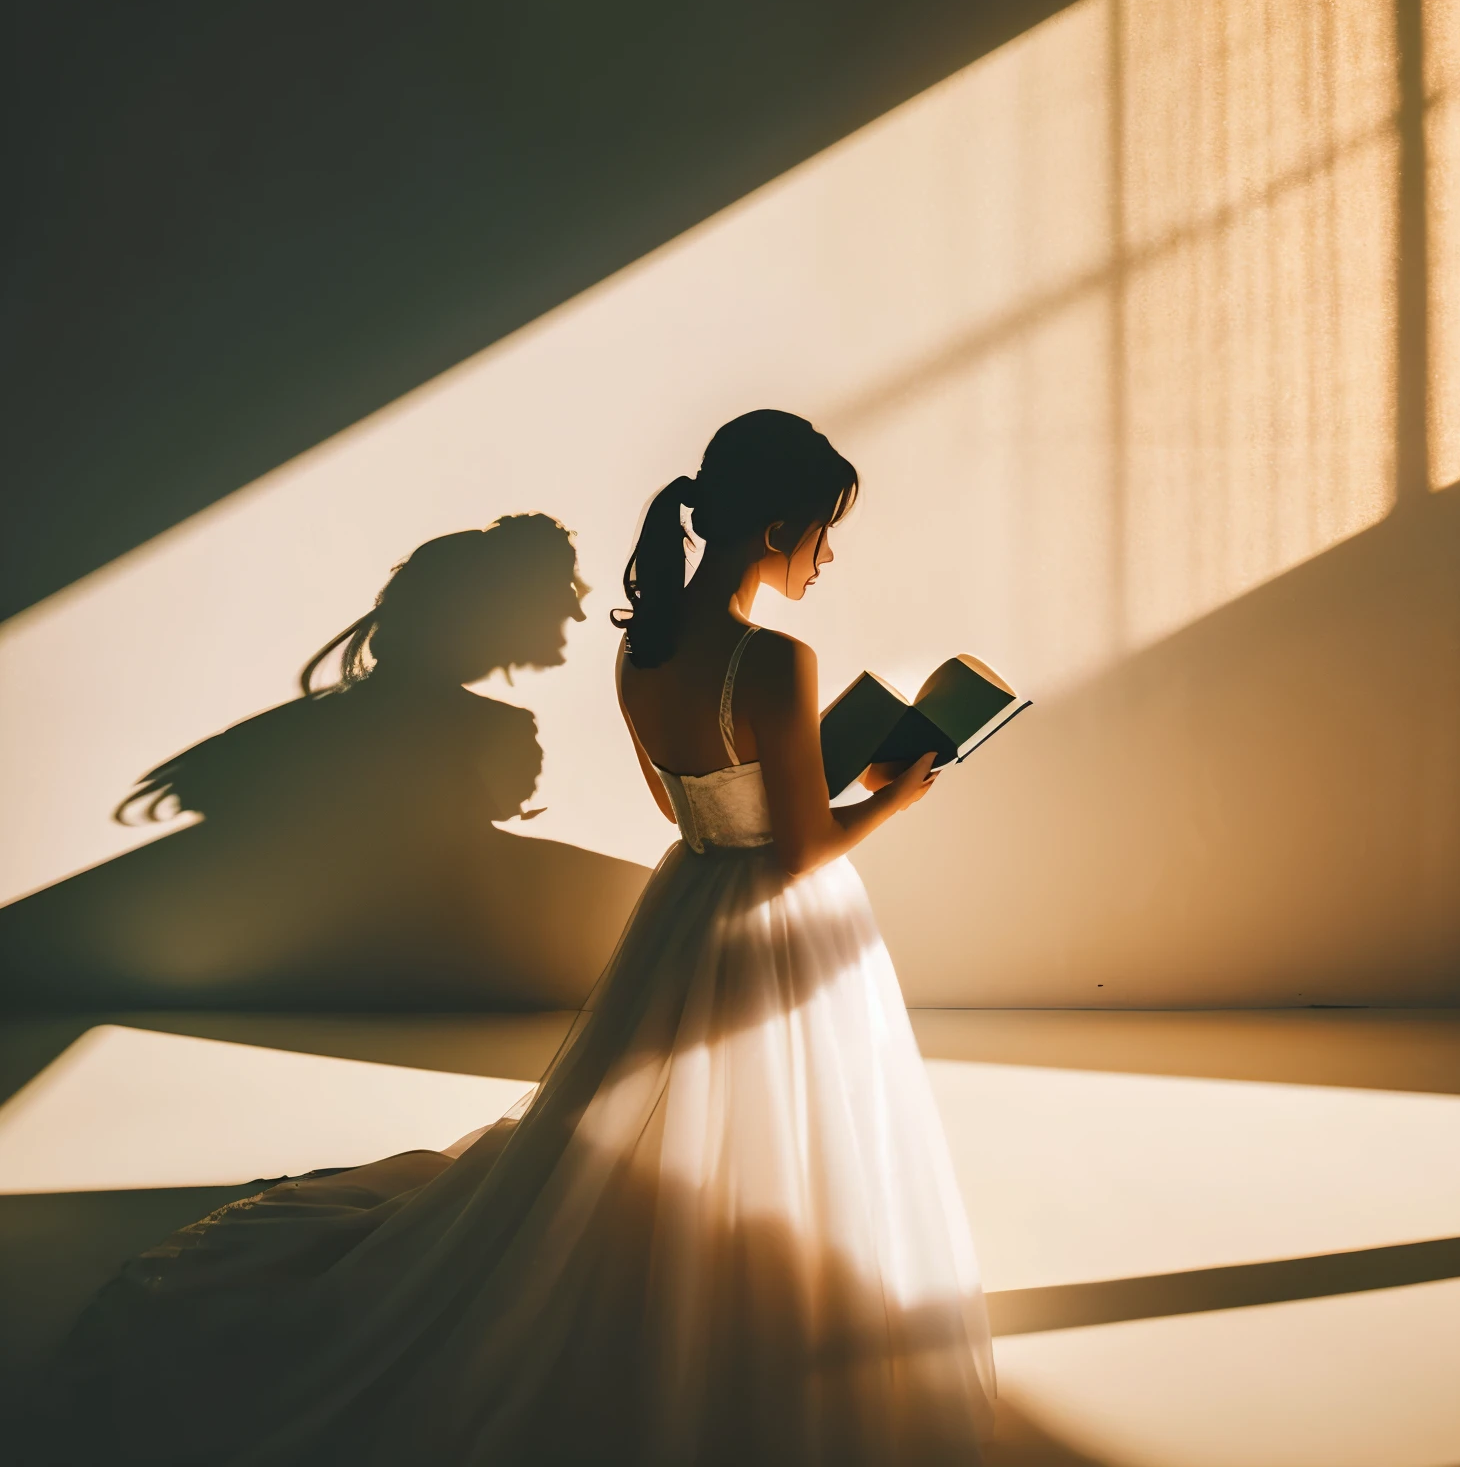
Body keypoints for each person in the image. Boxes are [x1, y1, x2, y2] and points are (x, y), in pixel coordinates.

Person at [42, 412, 995, 1465]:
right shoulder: (776, 658)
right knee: (794, 1112)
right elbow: (803, 851)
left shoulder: (645, 646)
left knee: (661, 1113)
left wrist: (803, 788)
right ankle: (773, 1300)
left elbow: (690, 810)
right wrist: (894, 793)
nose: (827, 554)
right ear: (777, 524)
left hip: (689, 904)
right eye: (822, 528)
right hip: (776, 915)